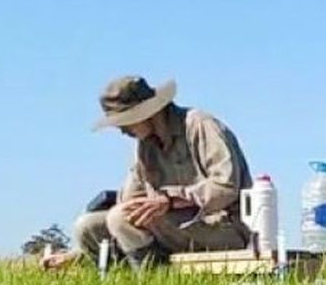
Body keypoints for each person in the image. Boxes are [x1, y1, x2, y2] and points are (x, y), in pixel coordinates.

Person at [42, 75, 253, 270]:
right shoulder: (144, 147)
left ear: (148, 112)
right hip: (172, 228)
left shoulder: (200, 125)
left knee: (120, 218)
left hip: (224, 226)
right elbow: (129, 202)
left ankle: (152, 284)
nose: (121, 130)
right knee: (87, 226)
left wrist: (170, 200)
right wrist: (76, 255)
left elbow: (226, 187)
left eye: (124, 121)